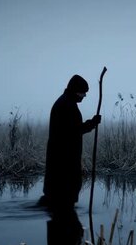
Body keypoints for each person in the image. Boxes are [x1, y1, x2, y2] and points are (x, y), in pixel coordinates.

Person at [43, 74, 101, 203]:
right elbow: (74, 130)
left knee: (57, 199)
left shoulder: (65, 102)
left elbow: (72, 129)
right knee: (64, 197)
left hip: (61, 158)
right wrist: (92, 123)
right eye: (83, 92)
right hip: (64, 159)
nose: (84, 96)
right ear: (76, 91)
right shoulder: (66, 106)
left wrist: (91, 123)